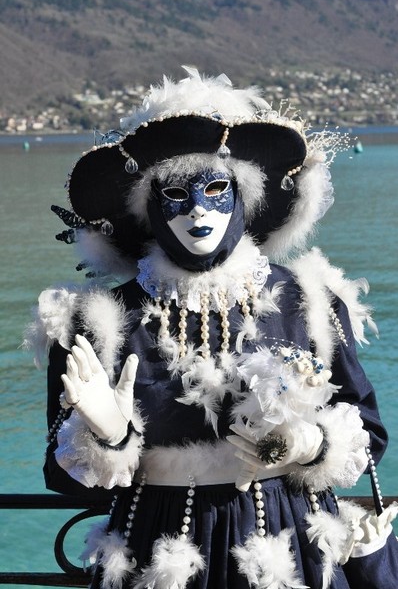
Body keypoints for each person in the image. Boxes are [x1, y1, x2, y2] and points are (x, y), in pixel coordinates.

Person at [26, 67, 397, 589]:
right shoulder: (101, 322)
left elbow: (367, 431)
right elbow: (63, 479)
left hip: (295, 548)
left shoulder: (310, 301)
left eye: (217, 188)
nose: (198, 208)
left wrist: (308, 442)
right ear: (150, 205)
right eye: (176, 193)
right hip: (158, 555)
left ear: (244, 197)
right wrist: (106, 437)